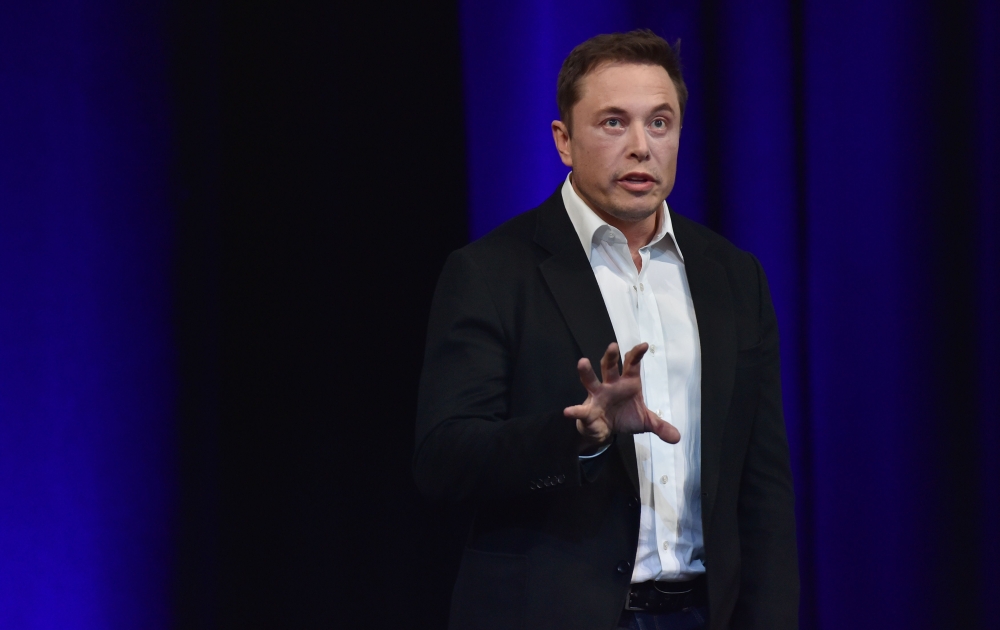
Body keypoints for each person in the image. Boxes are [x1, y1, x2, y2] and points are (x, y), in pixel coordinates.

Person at [414, 29, 798, 630]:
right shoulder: (491, 272)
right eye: (614, 123)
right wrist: (580, 434)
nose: (641, 147)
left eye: (660, 123)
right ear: (563, 141)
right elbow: (444, 461)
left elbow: (763, 483)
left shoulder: (732, 275)